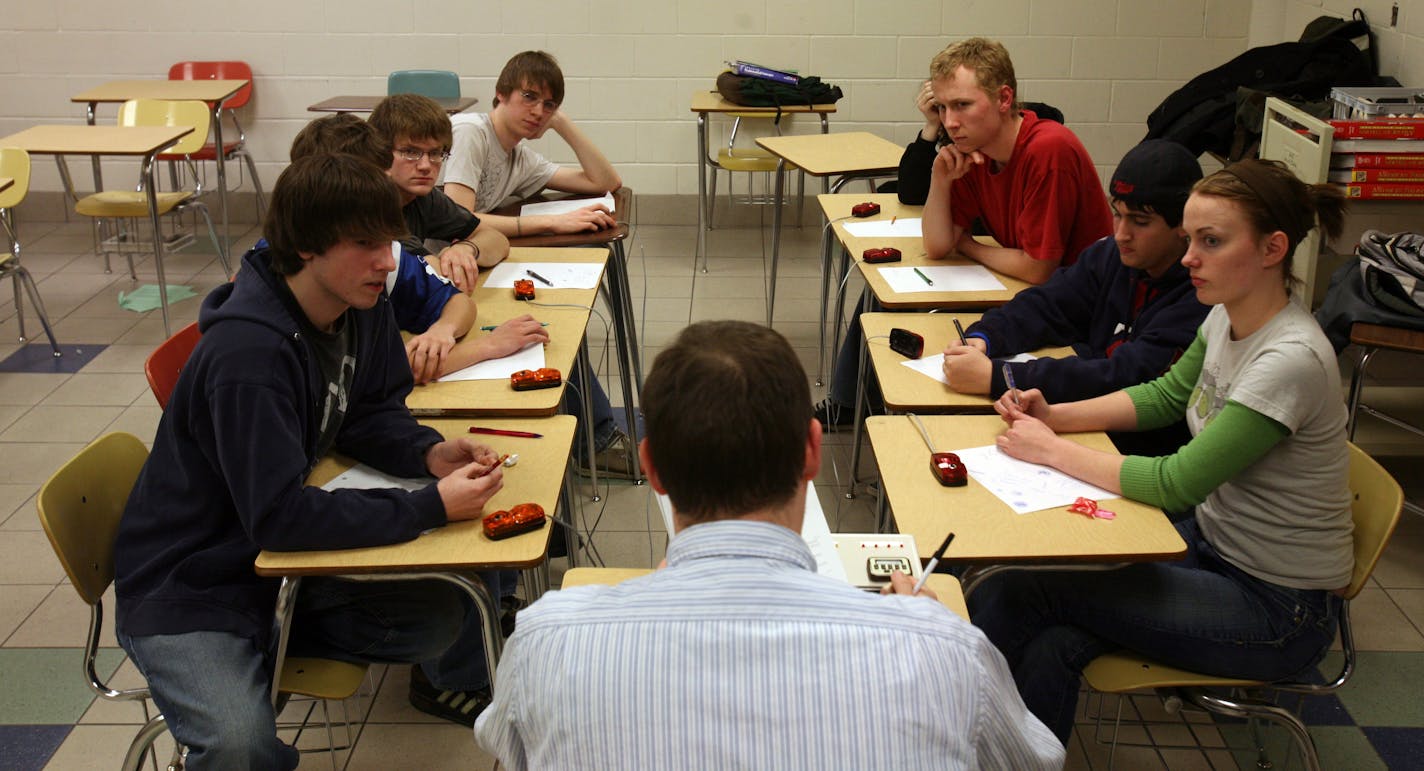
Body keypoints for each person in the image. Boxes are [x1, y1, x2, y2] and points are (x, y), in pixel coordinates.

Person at [474, 320, 1064, 770]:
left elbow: (506, 743)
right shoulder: (945, 651)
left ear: (651, 467)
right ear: (812, 451)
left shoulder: (548, 640)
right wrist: (926, 632)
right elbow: (1035, 759)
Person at [114, 154, 509, 769]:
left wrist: (427, 452)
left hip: (271, 565)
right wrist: (427, 507)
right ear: (304, 249)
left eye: (390, 244)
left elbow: (367, 410)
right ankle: (249, 664)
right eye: (364, 245)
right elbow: (277, 518)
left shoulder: (360, 303)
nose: (387, 263)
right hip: (192, 581)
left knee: (442, 612)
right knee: (240, 745)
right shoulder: (249, 358)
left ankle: (272, 640)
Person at [969, 158, 1352, 743]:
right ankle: (999, 753)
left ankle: (948, 738)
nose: (1190, 256)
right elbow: (1166, 396)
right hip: (1212, 550)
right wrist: (1056, 416)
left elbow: (1176, 483)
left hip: (1276, 609)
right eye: (1191, 238)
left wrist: (1050, 450)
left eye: (1212, 241)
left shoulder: (1290, 359)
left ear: (1273, 248)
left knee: (1015, 590)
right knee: (1053, 639)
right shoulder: (1226, 316)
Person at [817, 37, 1112, 426]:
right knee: (882, 295)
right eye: (941, 108)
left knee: (935, 340)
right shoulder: (977, 153)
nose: (950, 122)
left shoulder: (1048, 150)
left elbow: (1039, 268)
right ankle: (856, 408)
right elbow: (938, 245)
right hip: (1021, 287)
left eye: (962, 105)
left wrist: (970, 245)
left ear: (1005, 99)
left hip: (1073, 313)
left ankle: (892, 421)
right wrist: (940, 179)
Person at [943, 139, 1210, 457]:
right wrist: (986, 337)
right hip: (1081, 427)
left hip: (1138, 448)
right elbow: (1048, 304)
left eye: (1140, 222)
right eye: (1117, 214)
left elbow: (1122, 377)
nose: (1122, 233)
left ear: (1184, 225)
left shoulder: (1202, 295)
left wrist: (999, 376)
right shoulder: (1112, 255)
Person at [290, 113, 549, 383]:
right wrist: (486, 347)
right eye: (410, 152)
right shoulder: (270, 327)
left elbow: (457, 299)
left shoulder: (390, 239)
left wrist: (444, 326)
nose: (387, 261)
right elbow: (380, 374)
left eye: (436, 154)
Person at [442, 50, 622, 236]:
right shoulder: (471, 131)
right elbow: (459, 220)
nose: (538, 112)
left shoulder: (520, 159)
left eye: (548, 105)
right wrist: (551, 222)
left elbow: (606, 182)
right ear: (502, 93)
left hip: (471, 253)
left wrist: (560, 122)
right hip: (430, 259)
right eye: (529, 97)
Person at [368, 94, 510, 292]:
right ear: (380, 153)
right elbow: (435, 278)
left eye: (435, 153)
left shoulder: (423, 197)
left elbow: (497, 240)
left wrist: (465, 249)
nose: (426, 165)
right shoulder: (369, 205)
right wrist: (449, 261)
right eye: (410, 152)